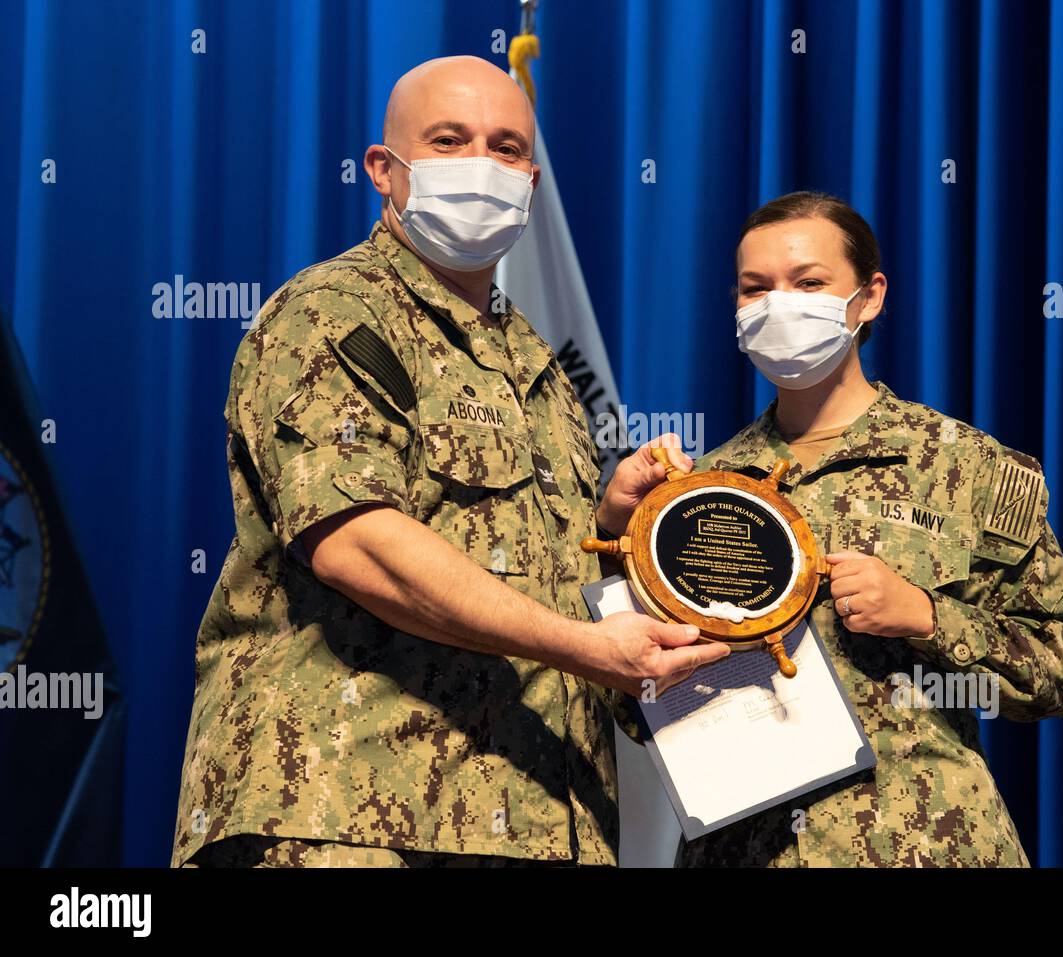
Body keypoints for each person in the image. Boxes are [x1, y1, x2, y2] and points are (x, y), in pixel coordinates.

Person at [170, 56, 727, 869]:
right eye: (449, 139)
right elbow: (356, 543)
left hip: (538, 816)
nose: (480, 164)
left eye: (506, 148)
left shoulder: (538, 367)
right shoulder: (331, 314)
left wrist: (608, 525)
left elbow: (534, 565)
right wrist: (586, 645)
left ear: (531, 182)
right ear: (383, 171)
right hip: (350, 811)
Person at [678, 191, 1063, 867]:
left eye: (809, 282)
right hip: (747, 849)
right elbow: (635, 700)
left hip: (924, 846)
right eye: (756, 288)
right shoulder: (700, 493)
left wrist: (926, 615)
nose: (779, 304)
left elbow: (1057, 664)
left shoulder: (971, 467)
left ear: (870, 296)